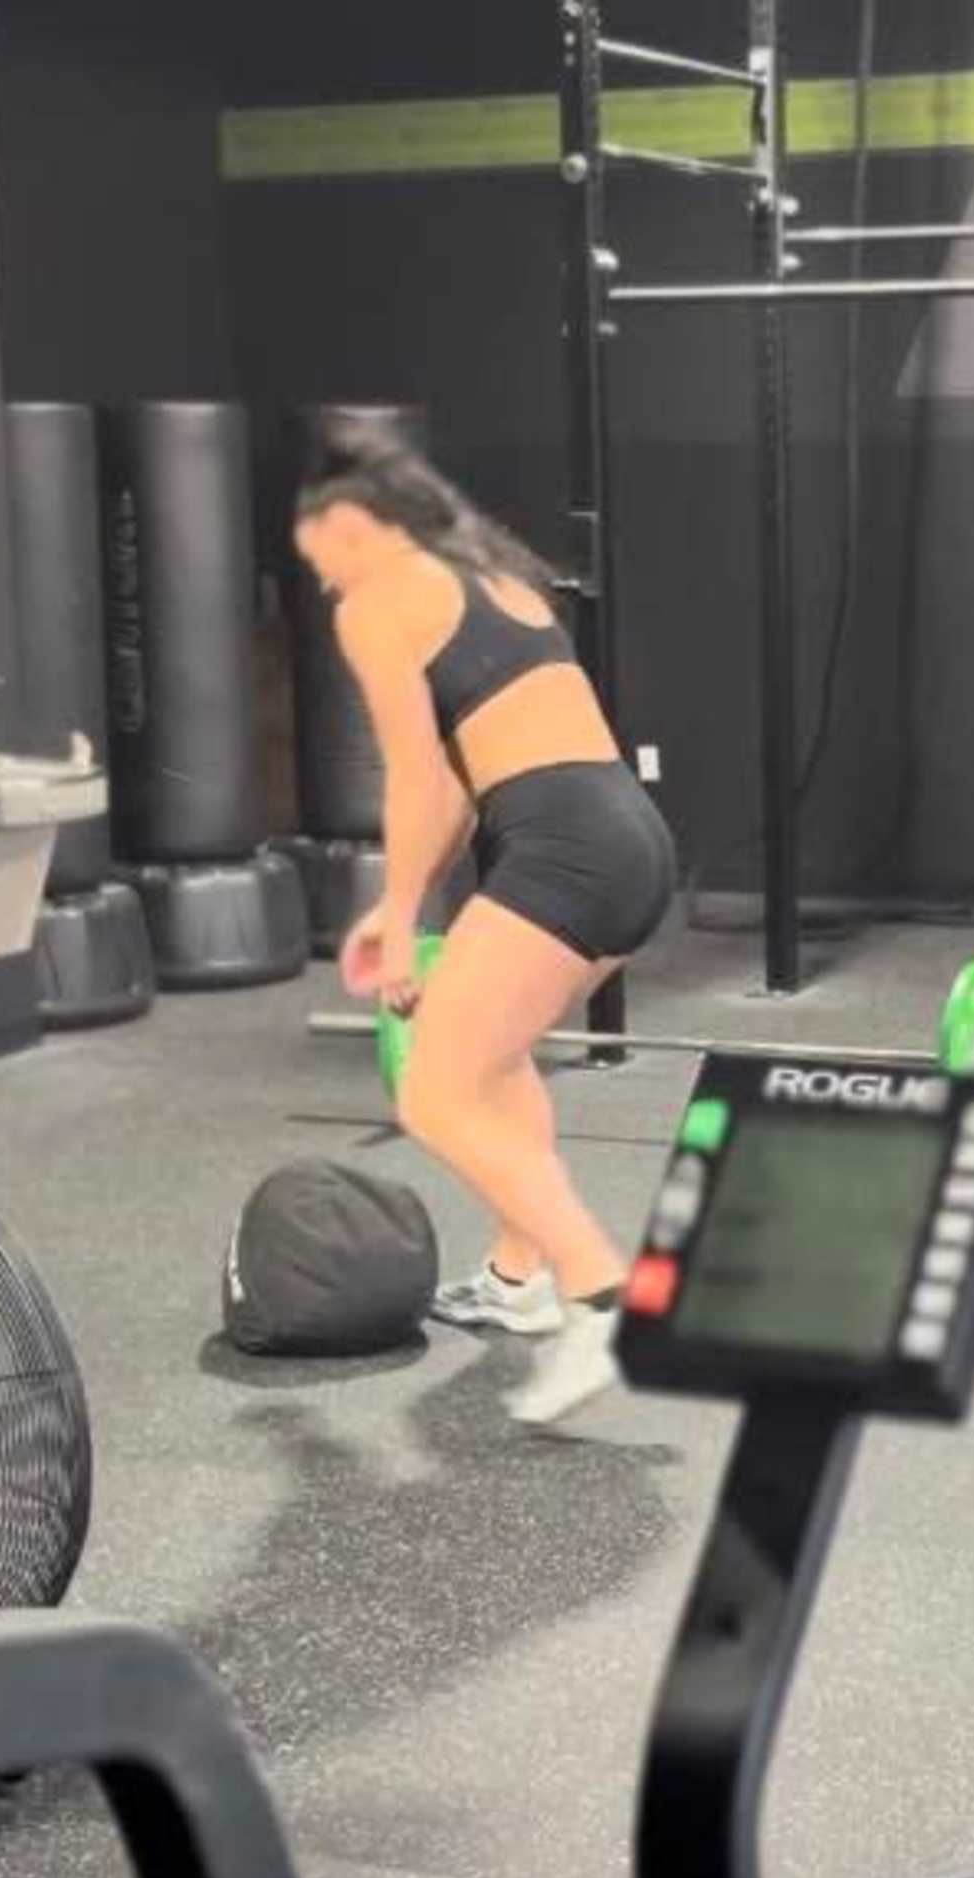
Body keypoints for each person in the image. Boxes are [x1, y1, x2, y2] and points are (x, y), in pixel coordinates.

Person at [295, 423, 675, 1428]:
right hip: (626, 838)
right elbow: (468, 793)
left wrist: (398, 913)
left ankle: (598, 1295)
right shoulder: (500, 582)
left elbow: (420, 784)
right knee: (496, 1064)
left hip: (565, 848)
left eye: (323, 544)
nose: (322, 574)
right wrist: (414, 915)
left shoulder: (382, 603)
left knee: (431, 1091)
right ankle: (518, 1279)